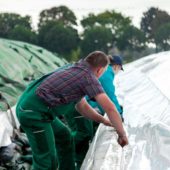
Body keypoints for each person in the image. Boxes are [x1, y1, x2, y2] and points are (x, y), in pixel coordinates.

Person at [16, 51, 128, 170]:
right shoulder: (88, 77)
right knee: (47, 160)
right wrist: (122, 134)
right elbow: (110, 108)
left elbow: (83, 107)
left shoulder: (76, 68)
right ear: (100, 70)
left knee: (64, 136)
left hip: (36, 109)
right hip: (33, 114)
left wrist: (103, 121)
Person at [64, 55, 125, 169]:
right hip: (78, 106)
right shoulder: (107, 74)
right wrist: (119, 114)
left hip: (78, 104)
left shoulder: (99, 72)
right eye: (119, 69)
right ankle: (63, 150)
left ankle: (78, 163)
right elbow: (109, 97)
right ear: (116, 66)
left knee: (84, 136)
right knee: (83, 133)